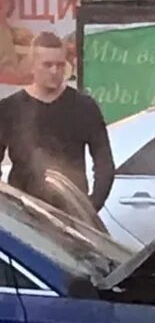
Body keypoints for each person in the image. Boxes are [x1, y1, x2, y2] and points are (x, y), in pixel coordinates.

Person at [0, 31, 114, 213]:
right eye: (47, 65)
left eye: (60, 65)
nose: (54, 71)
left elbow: (104, 164)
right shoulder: (9, 108)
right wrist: (7, 209)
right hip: (23, 216)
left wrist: (91, 207)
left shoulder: (84, 107)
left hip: (72, 215)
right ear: (32, 66)